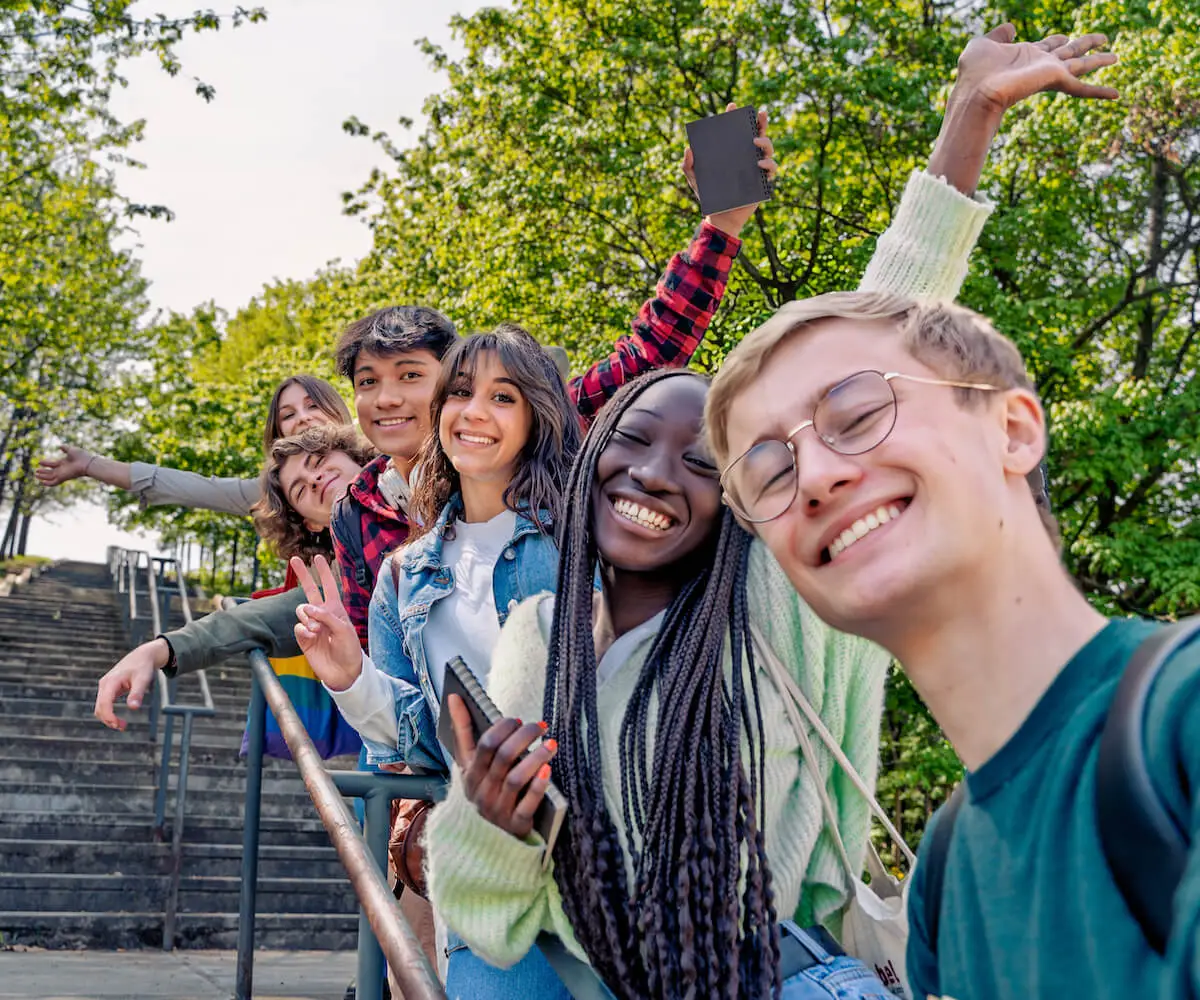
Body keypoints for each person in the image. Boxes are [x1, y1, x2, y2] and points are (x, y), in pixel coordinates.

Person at [702, 286, 1195, 1000]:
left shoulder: (1183, 717)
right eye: (770, 474)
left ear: (1012, 430)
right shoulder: (945, 873)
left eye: (859, 414)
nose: (815, 477)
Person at [328, 115, 780, 648]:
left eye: (410, 375)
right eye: (367, 382)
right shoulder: (356, 511)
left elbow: (649, 352)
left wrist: (721, 225)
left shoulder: (538, 426)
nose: (387, 399)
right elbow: (374, 651)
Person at [293, 325, 583, 996]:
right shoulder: (403, 575)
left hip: (607, 863)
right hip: (491, 879)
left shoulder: (585, 542)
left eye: (503, 397)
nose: (474, 412)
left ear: (538, 417)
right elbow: (421, 741)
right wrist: (350, 678)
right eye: (460, 393)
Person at [92, 423, 373, 729]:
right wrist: (158, 649)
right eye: (300, 490)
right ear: (311, 524)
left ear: (354, 456)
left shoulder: (411, 477)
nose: (314, 479)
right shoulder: (341, 583)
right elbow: (249, 620)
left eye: (318, 461)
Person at [36, 374, 351, 516]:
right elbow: (186, 486)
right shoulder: (273, 491)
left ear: (335, 408)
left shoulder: (376, 459)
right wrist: (89, 464)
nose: (303, 418)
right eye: (288, 415)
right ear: (278, 433)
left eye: (313, 405)